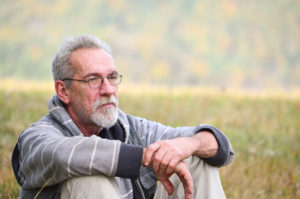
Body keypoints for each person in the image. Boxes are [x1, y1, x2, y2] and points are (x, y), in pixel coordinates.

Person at [11, 34, 234, 199]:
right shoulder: (37, 136)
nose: (108, 89)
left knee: (195, 160)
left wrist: (189, 144)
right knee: (91, 175)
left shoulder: (131, 128)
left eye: (112, 77)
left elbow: (219, 146)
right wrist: (144, 157)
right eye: (93, 79)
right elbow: (62, 156)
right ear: (63, 91)